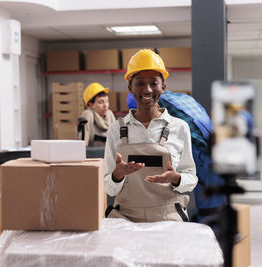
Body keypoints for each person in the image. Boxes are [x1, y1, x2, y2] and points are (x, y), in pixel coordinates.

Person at [103, 49, 198, 222]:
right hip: (126, 217)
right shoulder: (116, 129)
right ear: (130, 87)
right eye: (140, 83)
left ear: (163, 87)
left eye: (154, 83)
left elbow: (191, 178)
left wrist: (176, 178)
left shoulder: (179, 127)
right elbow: (108, 188)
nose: (147, 89)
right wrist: (117, 174)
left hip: (169, 217)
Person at [127, 90, 226, 225]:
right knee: (216, 193)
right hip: (215, 144)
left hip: (200, 149)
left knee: (207, 198)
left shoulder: (163, 107)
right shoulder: (181, 97)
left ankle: (212, 235)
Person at [79, 82, 116, 146]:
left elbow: (117, 139)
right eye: (100, 102)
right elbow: (83, 143)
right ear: (91, 105)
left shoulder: (110, 114)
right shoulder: (88, 115)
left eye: (107, 101)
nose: (105, 105)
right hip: (92, 154)